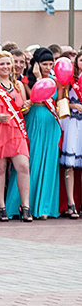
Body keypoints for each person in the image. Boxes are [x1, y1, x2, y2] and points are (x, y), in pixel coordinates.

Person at [5, 48, 60, 219]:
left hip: (51, 124)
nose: (48, 67)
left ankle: (44, 207)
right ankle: (20, 205)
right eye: (44, 64)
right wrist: (37, 79)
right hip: (34, 121)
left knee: (49, 164)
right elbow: (33, 98)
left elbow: (59, 100)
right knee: (31, 163)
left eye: (51, 64)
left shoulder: (56, 80)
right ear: (37, 63)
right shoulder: (27, 80)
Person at [0, 52, 32, 221]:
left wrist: (26, 106)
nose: (5, 67)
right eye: (1, 64)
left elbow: (22, 110)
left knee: (23, 166)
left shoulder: (18, 85)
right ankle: (1, 206)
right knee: (0, 169)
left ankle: (25, 206)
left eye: (7, 64)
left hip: (16, 130)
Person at [60, 50, 82, 218]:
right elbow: (61, 103)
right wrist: (74, 107)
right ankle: (71, 203)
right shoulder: (70, 81)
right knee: (70, 165)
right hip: (74, 123)